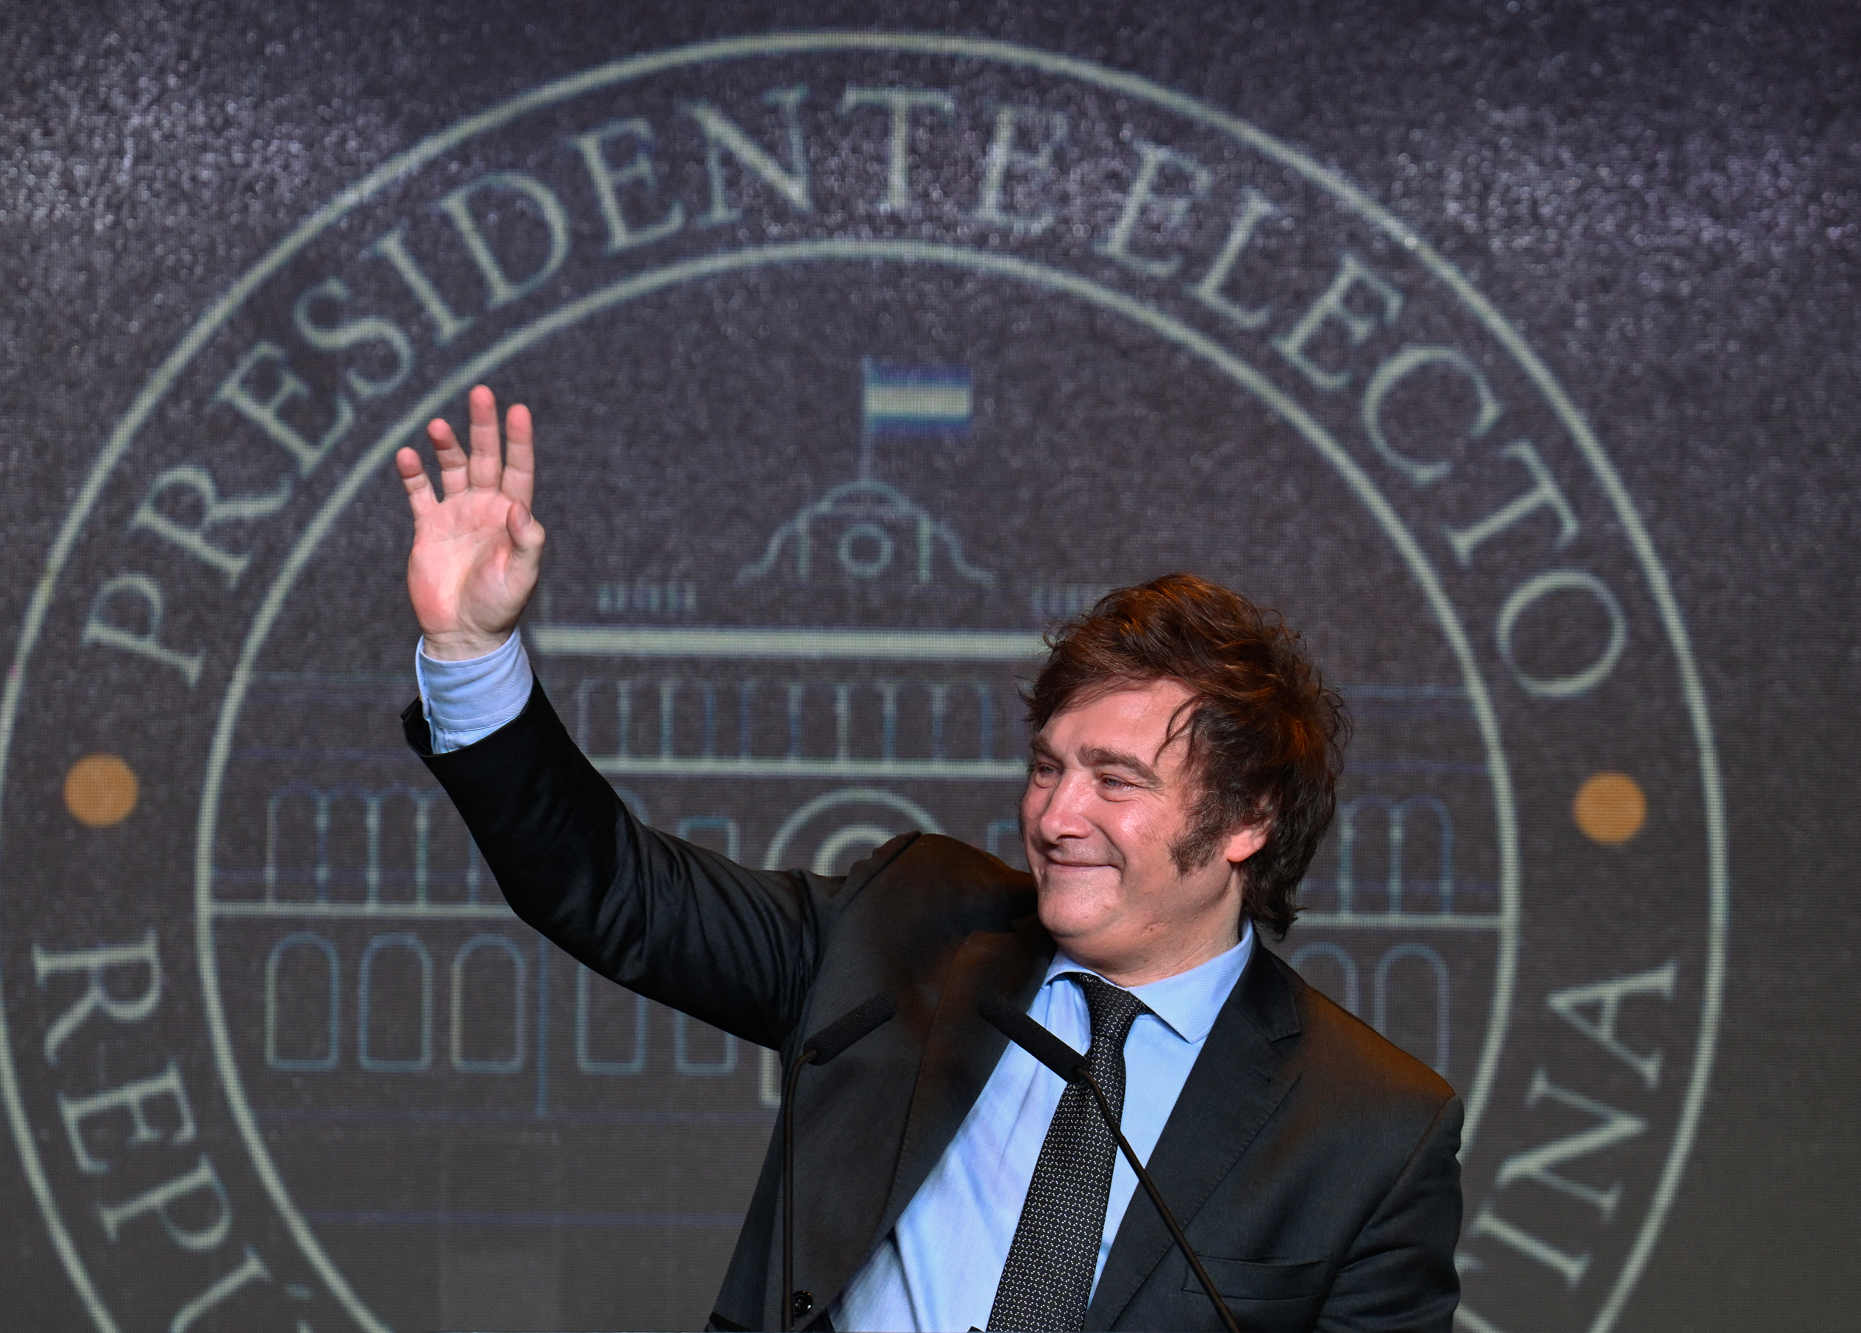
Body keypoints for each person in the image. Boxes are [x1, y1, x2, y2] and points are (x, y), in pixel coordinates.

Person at [395, 386, 1462, 1332]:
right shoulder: (900, 927)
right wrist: (470, 651)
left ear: (1246, 820)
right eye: (1046, 767)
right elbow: (612, 890)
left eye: (1115, 780)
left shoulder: (1369, 1127)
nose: (1055, 815)